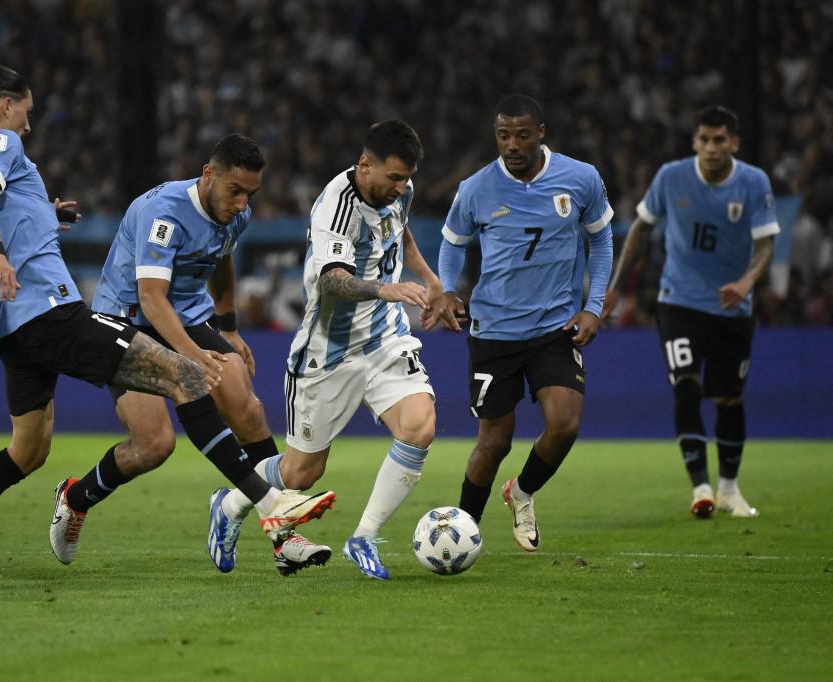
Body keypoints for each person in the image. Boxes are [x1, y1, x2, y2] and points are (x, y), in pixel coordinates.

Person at [0, 60, 334, 585]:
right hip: (54, 310)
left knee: (28, 451)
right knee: (187, 377)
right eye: (25, 111)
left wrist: (34, 216)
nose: (27, 124)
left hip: (8, 327)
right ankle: (276, 509)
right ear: (5, 106)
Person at [52, 134, 331, 577]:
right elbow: (151, 298)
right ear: (208, 175)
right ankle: (76, 497)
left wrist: (229, 327)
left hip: (186, 317)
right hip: (127, 321)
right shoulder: (161, 213)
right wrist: (192, 358)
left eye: (250, 194)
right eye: (235, 191)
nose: (243, 204)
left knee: (247, 408)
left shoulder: (234, 214)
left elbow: (221, 260)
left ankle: (282, 535)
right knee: (154, 444)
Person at [210, 120, 440, 581]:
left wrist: (432, 280)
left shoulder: (400, 191)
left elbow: (401, 230)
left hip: (385, 340)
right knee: (301, 474)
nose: (400, 188)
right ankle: (230, 502)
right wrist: (387, 290)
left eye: (405, 179)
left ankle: (365, 536)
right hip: (328, 352)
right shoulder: (336, 207)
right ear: (364, 165)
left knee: (420, 427)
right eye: (392, 178)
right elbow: (334, 279)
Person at [428, 94, 614, 552]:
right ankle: (462, 535)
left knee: (565, 424)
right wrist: (448, 289)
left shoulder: (580, 178)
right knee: (494, 443)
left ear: (541, 132)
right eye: (503, 135)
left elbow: (602, 242)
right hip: (494, 332)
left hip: (554, 327)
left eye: (522, 135)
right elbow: (452, 244)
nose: (512, 144)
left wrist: (594, 307)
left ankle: (523, 492)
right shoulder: (476, 188)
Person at [603, 105, 778, 519]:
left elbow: (766, 244)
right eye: (704, 139)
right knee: (685, 384)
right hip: (678, 301)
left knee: (729, 398)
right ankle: (700, 487)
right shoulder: (671, 176)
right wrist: (614, 289)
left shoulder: (753, 183)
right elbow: (642, 229)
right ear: (695, 142)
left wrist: (747, 283)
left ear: (733, 143)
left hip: (731, 308)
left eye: (720, 140)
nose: (711, 148)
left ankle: (730, 490)